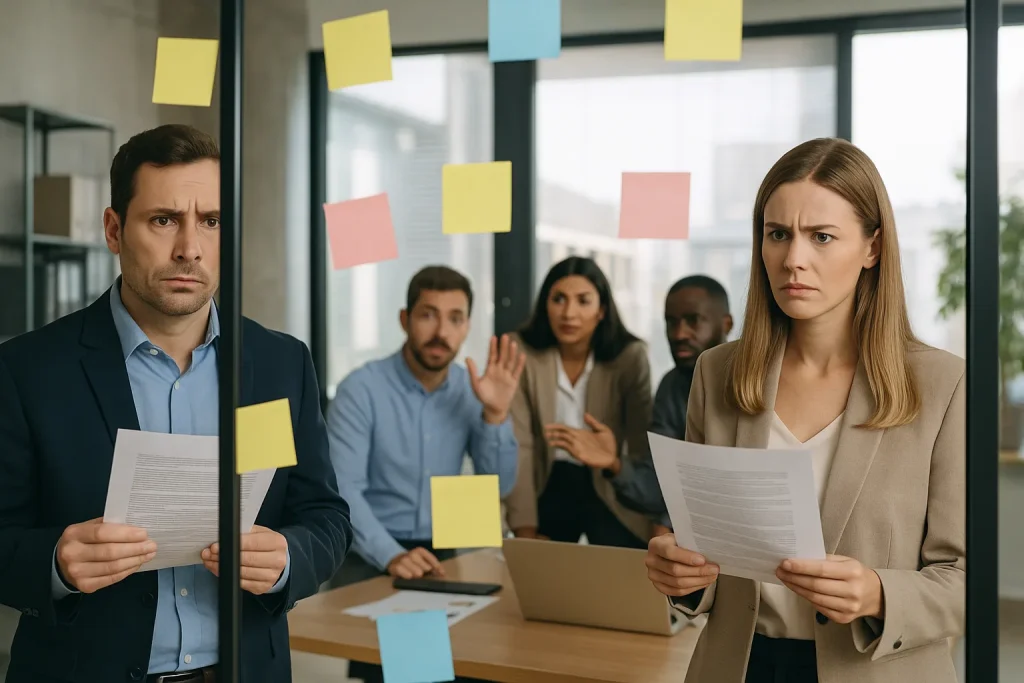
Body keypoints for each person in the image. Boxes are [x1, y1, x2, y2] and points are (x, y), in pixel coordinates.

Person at [0, 125, 352, 683]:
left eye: (210, 222)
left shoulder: (282, 364)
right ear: (114, 230)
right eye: (163, 220)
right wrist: (54, 563)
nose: (189, 247)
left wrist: (288, 558)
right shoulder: (27, 369)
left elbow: (327, 518)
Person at [645, 138, 964, 683]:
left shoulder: (942, 384)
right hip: (739, 667)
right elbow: (707, 554)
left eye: (821, 237)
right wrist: (682, 573)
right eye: (778, 235)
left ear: (872, 248)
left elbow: (966, 578)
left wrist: (880, 594)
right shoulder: (716, 374)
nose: (794, 258)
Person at [326, 266, 522, 585]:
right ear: (405, 320)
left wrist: (496, 415)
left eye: (455, 318)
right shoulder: (361, 389)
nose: (441, 332)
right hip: (367, 551)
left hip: (446, 553)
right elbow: (343, 489)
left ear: (467, 326)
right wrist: (391, 555)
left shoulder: (473, 389)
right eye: (428, 316)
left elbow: (499, 488)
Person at [504, 256, 654, 548]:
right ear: (544, 304)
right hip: (546, 480)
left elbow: (642, 445)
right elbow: (519, 444)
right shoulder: (521, 351)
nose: (569, 313)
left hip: (608, 479)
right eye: (558, 299)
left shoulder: (630, 357)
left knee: (621, 572)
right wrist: (524, 526)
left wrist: (653, 518)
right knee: (542, 579)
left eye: (583, 301)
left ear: (601, 311)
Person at [588, 275, 734, 523]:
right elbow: (660, 486)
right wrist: (614, 465)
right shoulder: (672, 385)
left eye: (693, 321)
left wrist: (667, 521)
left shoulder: (754, 383)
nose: (678, 334)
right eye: (671, 322)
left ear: (726, 324)